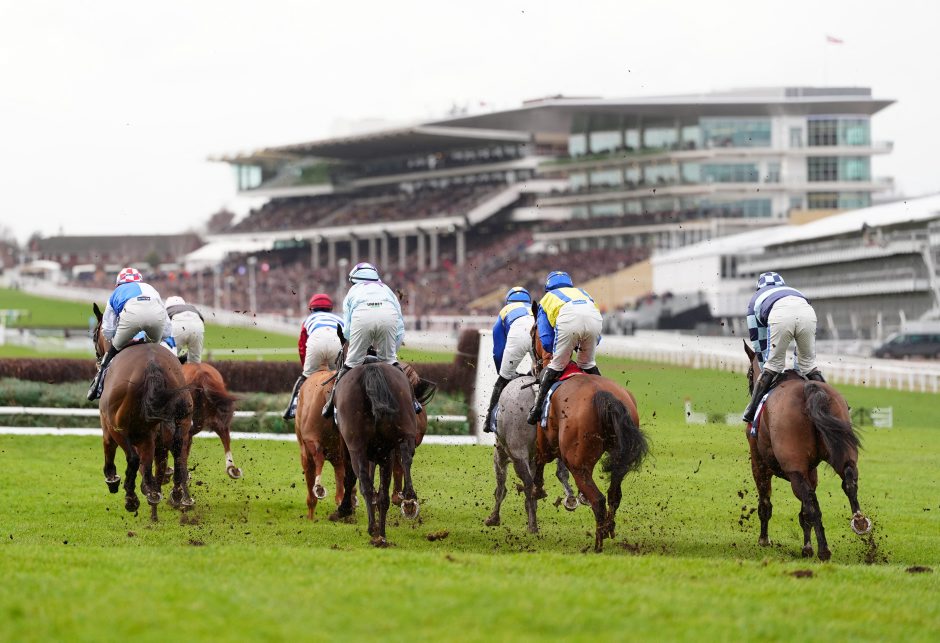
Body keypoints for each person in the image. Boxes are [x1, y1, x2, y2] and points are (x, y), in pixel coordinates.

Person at [321, 262, 405, 418]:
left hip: (362, 318)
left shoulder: (353, 291)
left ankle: (331, 403)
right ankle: (412, 401)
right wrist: (392, 353)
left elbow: (347, 331)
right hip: (389, 317)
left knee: (351, 364)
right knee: (390, 362)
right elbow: (400, 328)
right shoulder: (387, 290)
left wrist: (356, 347)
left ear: (354, 280)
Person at [742, 271, 825, 423]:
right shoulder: (794, 291)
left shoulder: (756, 299)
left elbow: (759, 343)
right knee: (809, 365)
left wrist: (766, 366)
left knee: (773, 365)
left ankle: (751, 410)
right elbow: (802, 343)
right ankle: (832, 403)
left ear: (759, 287)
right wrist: (798, 368)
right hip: (807, 312)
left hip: (780, 314)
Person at [527, 271, 603, 425]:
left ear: (548, 287)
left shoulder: (547, 298)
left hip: (568, 321)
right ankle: (604, 396)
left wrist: (559, 351)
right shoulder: (583, 292)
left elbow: (546, 339)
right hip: (595, 322)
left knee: (557, 366)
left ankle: (536, 410)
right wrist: (581, 347)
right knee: (587, 364)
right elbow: (597, 337)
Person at [88, 267, 173, 400]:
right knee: (153, 350)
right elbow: (167, 331)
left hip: (131, 317)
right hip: (156, 319)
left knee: (112, 351)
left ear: (118, 284)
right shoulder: (151, 289)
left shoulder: (116, 292)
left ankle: (97, 386)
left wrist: (121, 340)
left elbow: (108, 330)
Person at [282, 293, 345, 420]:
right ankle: (341, 410)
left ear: (311, 309)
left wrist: (306, 368)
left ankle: (292, 408)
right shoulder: (339, 319)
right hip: (336, 344)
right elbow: (346, 340)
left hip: (316, 343)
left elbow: (302, 346)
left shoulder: (308, 320)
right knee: (340, 378)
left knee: (305, 377)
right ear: (330, 309)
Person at [484, 286, 534, 433]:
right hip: (536, 332)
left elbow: (498, 350)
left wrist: (503, 373)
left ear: (508, 301)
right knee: (543, 375)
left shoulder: (505, 311)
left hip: (518, 336)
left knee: (503, 378)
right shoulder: (533, 309)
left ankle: (489, 420)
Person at [165, 295, 205, 364]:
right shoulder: (191, 307)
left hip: (177, 325)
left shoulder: (167, 310)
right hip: (197, 325)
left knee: (170, 360)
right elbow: (202, 320)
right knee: (195, 362)